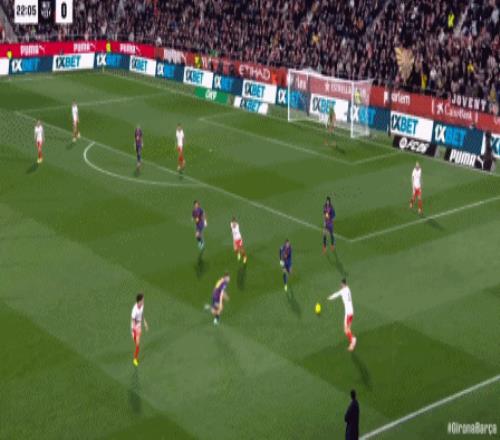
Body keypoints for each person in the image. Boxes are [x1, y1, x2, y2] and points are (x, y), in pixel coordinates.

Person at [327, 278, 356, 351]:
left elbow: (336, 294)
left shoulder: (343, 291)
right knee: (348, 329)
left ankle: (353, 340)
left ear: (343, 284)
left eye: (341, 284)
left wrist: (329, 298)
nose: (340, 285)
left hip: (348, 313)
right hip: (351, 312)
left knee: (346, 330)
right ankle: (352, 341)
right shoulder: (348, 289)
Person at [131, 293, 149, 367]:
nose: (143, 301)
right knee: (137, 344)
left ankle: (135, 358)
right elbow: (133, 321)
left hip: (139, 325)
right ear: (139, 301)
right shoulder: (134, 310)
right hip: (135, 328)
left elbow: (141, 314)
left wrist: (145, 322)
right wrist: (135, 330)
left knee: (138, 344)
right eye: (142, 300)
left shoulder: (142, 306)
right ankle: (134, 359)